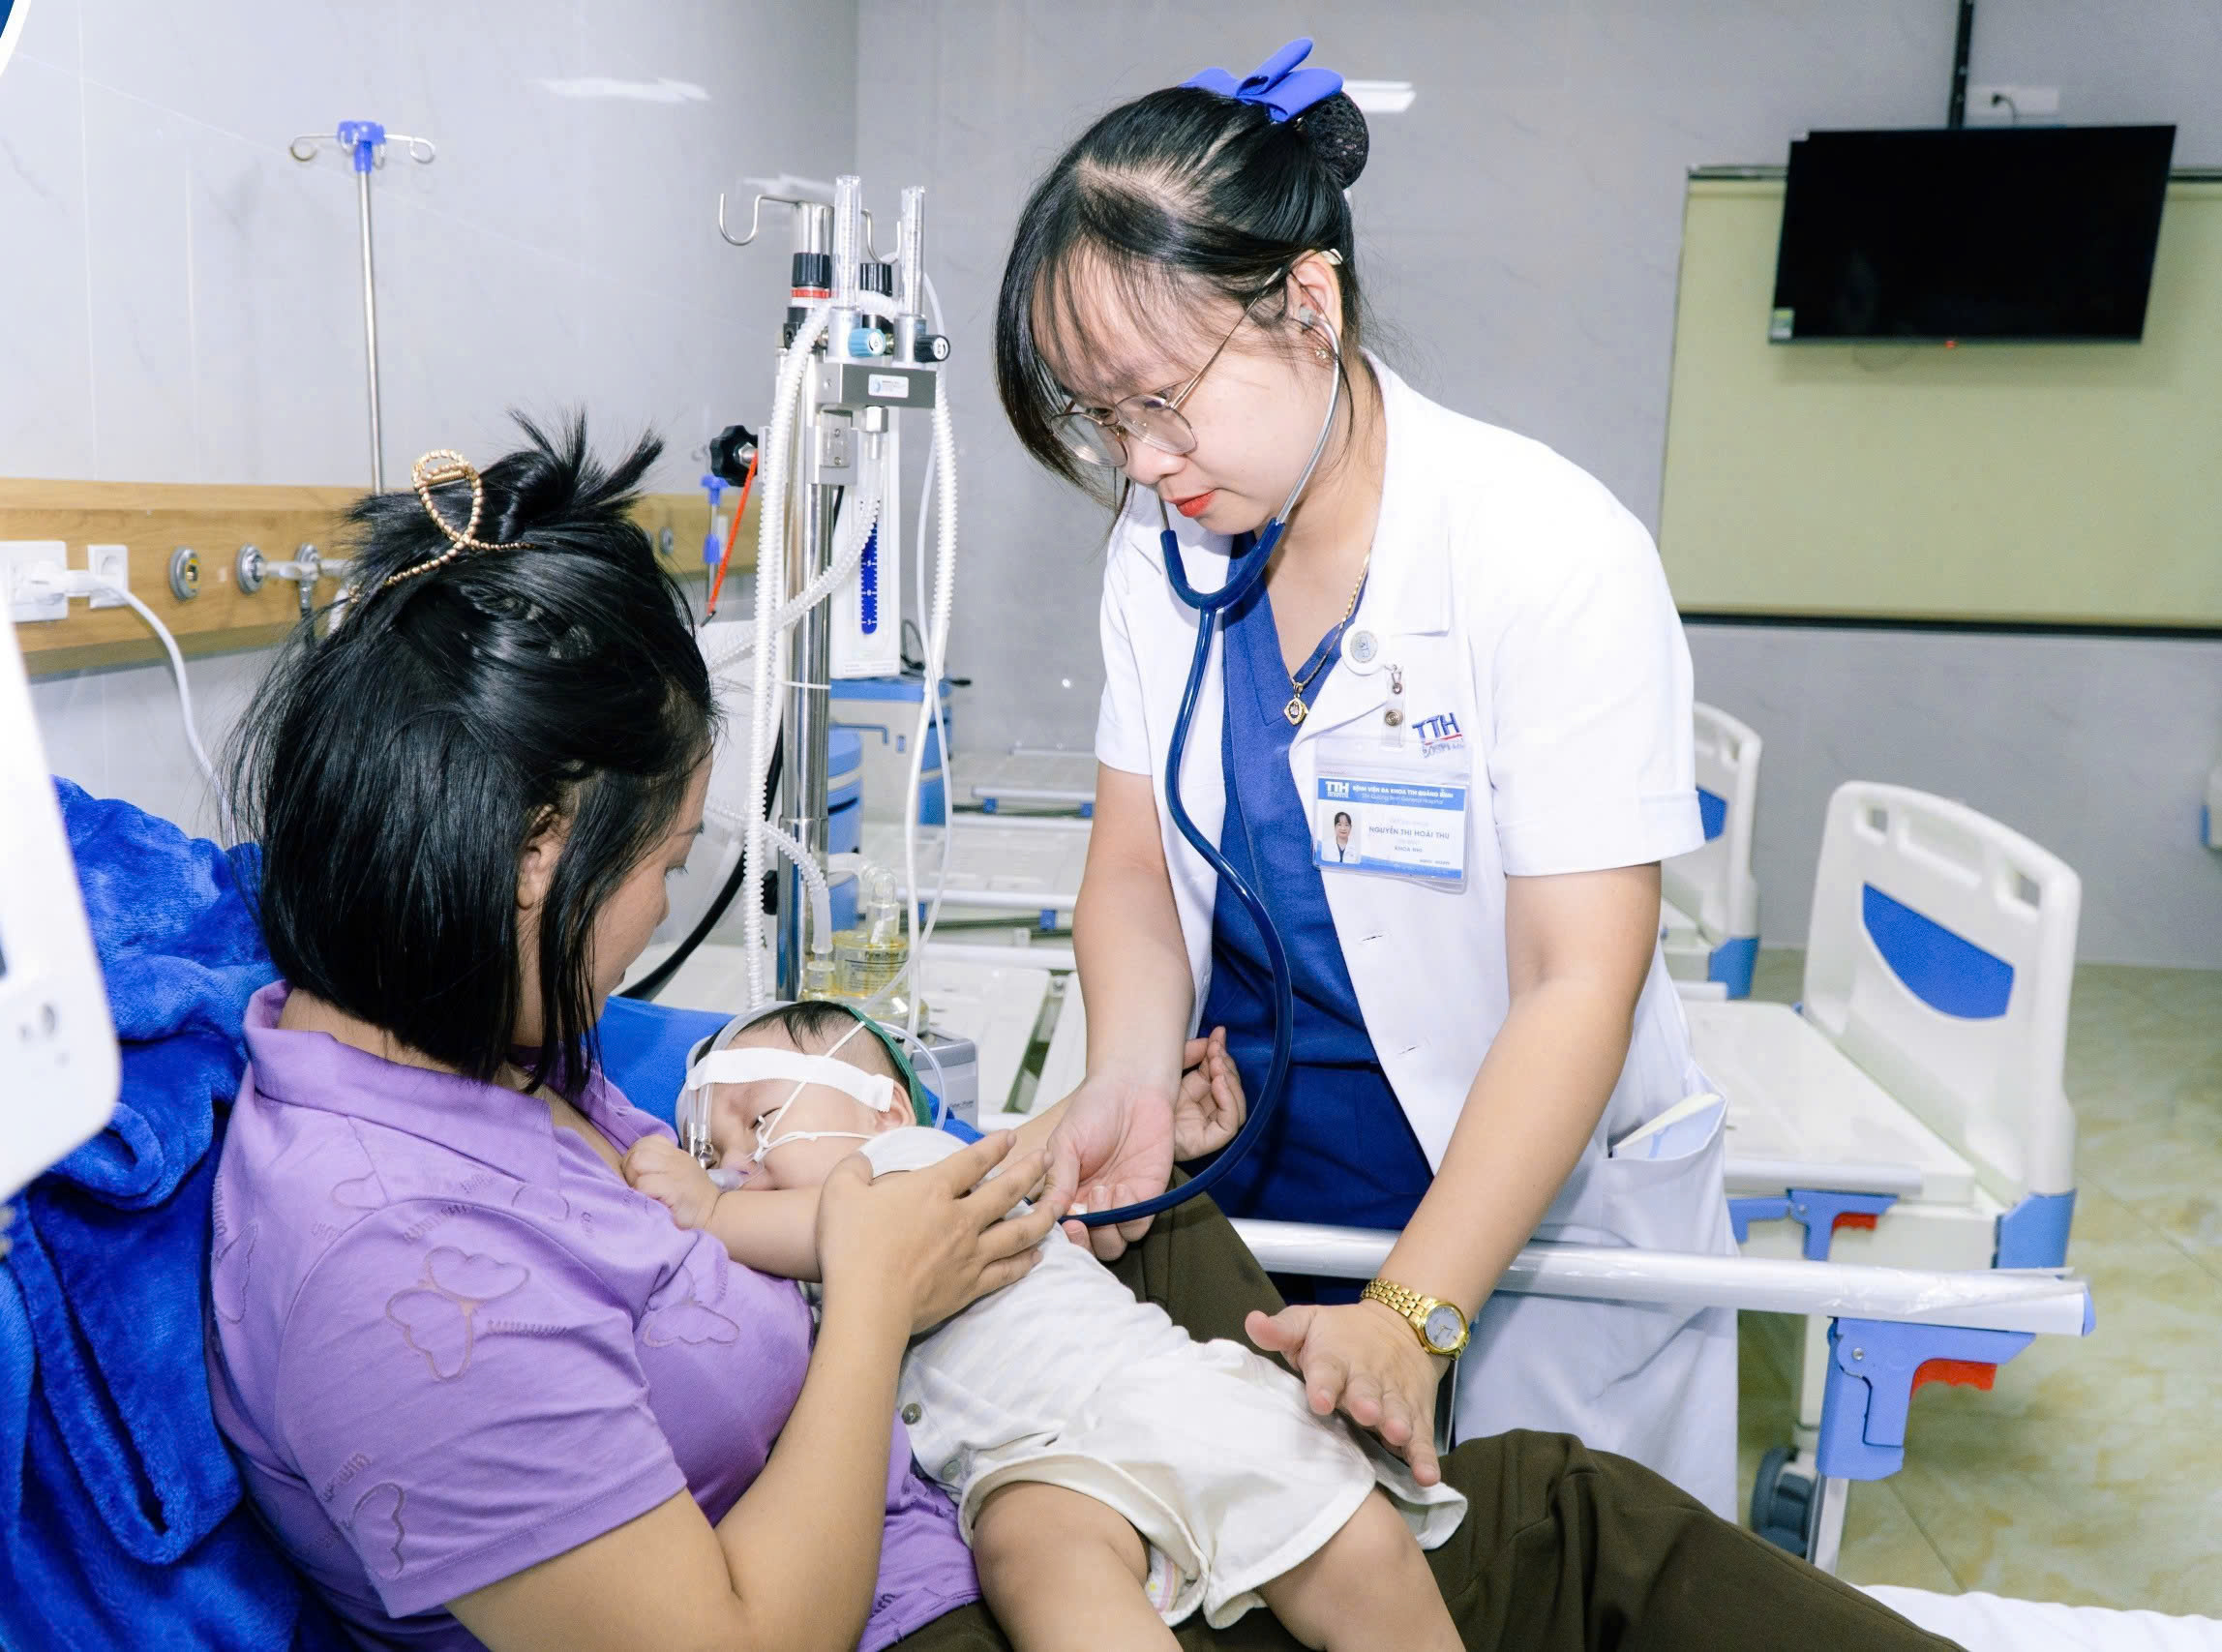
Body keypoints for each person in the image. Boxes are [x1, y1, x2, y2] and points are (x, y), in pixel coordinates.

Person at [200, 420, 1956, 1652]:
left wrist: (1032, 1185)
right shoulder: (392, 1269)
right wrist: (877, 1291)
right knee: (1573, 1537)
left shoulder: (486, 1049)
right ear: (529, 853)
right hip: (945, 1593)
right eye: (660, 862)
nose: (663, 906)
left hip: (961, 1477)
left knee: (1539, 1510)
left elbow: (742, 1232)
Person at [997, 41, 1739, 1512]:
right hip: (1258, 1195)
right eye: (1100, 419)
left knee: (1529, 1567)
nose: (1138, 461)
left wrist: (1414, 1310)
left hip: (1510, 1212)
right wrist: (1130, 1077)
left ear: (1310, 304)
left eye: (1159, 398)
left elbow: (1577, 979)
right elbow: (1133, 873)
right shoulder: (1162, 548)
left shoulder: (1548, 551)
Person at [625, 999, 1464, 1652]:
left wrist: (707, 1209)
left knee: (1350, 1554)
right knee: (1028, 1559)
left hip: (1143, 1392)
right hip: (1029, 1468)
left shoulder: (910, 1168)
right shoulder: (810, 1281)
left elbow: (843, 1232)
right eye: (712, 1152)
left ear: (886, 1110)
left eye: (760, 1121)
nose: (737, 1165)